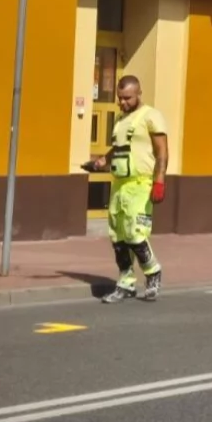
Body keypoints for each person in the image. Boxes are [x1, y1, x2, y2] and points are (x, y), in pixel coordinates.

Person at [90, 75, 170, 303]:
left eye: (127, 98)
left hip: (141, 184)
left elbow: (162, 151)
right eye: (119, 98)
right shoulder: (120, 120)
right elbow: (117, 148)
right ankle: (125, 283)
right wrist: (101, 161)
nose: (122, 102)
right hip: (120, 185)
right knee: (118, 238)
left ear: (139, 93)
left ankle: (153, 273)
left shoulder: (151, 116)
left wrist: (160, 180)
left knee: (136, 234)